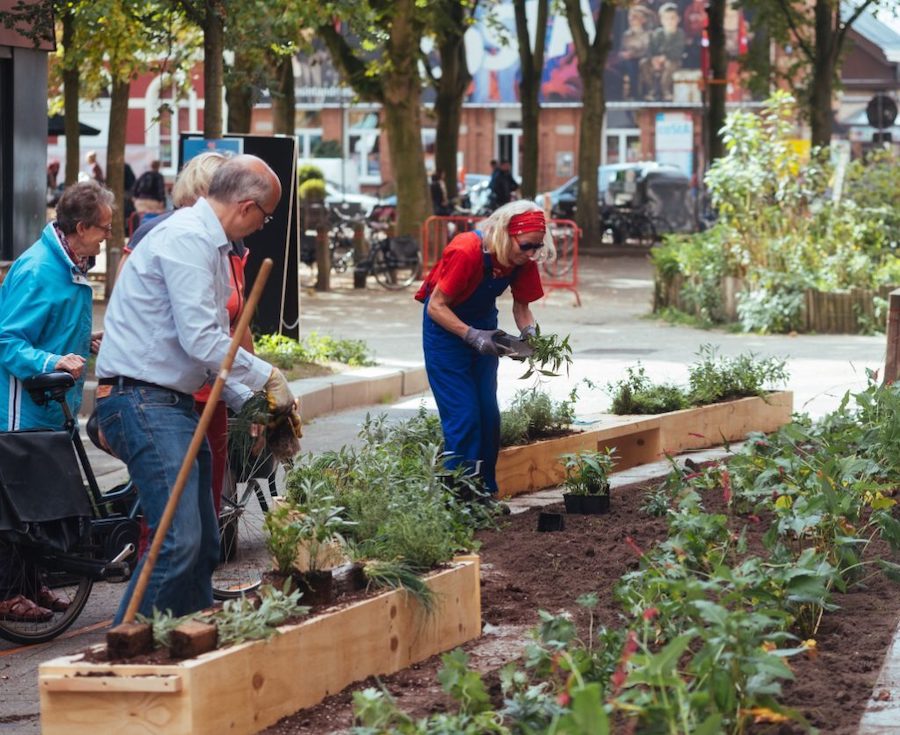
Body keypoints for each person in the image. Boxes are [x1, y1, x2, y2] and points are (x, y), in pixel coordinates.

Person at [95, 154, 299, 623]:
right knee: (177, 538)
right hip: (143, 402)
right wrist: (267, 376)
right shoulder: (187, 239)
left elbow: (199, 357)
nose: (260, 226)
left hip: (169, 401)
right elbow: (203, 341)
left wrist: (251, 402)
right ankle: (127, 653)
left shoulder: (208, 244)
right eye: (265, 217)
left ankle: (189, 642)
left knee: (205, 540)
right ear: (247, 208)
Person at [0, 181, 114, 622]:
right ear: (80, 227)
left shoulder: (68, 263)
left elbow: (47, 326)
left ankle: (33, 585)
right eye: (103, 229)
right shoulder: (37, 269)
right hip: (22, 405)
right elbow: (8, 339)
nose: (108, 237)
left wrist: (82, 342)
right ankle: (9, 591)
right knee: (17, 502)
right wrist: (51, 358)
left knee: (40, 500)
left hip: (50, 402)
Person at [117, 151, 250, 524]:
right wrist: (264, 379)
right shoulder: (161, 234)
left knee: (206, 506)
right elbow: (129, 309)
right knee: (169, 513)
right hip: (163, 395)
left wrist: (250, 393)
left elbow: (237, 321)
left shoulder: (231, 247)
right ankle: (158, 569)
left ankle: (196, 577)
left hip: (214, 393)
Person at [415, 200, 553, 498]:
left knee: (488, 417)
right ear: (507, 235)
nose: (531, 254)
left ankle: (484, 493)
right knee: (464, 416)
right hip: (446, 333)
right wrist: (472, 336)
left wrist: (530, 335)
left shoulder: (522, 261)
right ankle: (457, 498)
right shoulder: (466, 250)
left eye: (537, 247)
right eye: (527, 246)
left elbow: (522, 307)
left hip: (483, 328)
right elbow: (436, 307)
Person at [639, 3, 686, 101]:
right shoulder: (657, 33)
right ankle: (652, 90)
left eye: (672, 18)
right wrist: (653, 59)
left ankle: (665, 91)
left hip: (674, 60)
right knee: (644, 63)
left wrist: (665, 57)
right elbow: (651, 48)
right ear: (661, 20)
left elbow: (677, 50)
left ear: (678, 19)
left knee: (669, 65)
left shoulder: (680, 34)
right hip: (657, 60)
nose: (669, 21)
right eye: (666, 18)